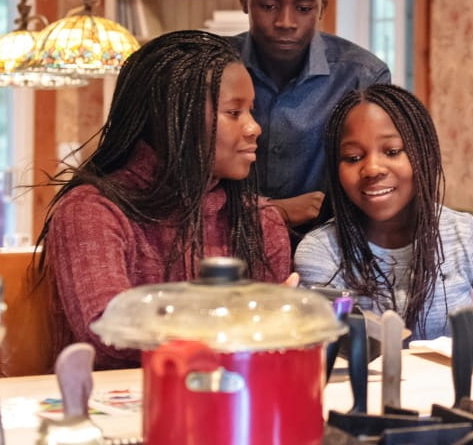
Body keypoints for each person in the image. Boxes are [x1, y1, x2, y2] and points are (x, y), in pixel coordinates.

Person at [38, 30, 295, 369]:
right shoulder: (92, 211)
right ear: (172, 118)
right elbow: (108, 332)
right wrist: (245, 320)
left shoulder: (260, 220)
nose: (254, 127)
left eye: (251, 110)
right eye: (234, 113)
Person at [294, 84, 473, 339]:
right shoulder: (320, 252)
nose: (372, 169)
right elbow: (325, 359)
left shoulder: (471, 238)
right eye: (353, 157)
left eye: (392, 152)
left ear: (424, 155)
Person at [236, 0, 392, 237]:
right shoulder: (214, 68)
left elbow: (373, 179)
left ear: (324, 4)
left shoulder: (362, 76)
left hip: (329, 251)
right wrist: (273, 213)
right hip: (225, 246)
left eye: (303, 8)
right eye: (268, 5)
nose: (285, 21)